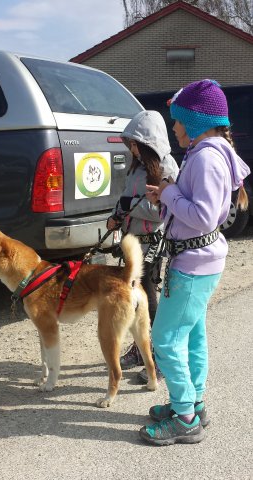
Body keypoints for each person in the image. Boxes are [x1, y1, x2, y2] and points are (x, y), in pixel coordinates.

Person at [139, 79, 251, 446]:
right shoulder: (212, 152)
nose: (174, 128)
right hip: (202, 259)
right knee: (192, 334)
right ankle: (193, 402)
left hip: (192, 263)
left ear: (197, 121)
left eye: (178, 121)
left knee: (165, 338)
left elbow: (202, 216)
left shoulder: (204, 157)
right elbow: (199, 207)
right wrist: (169, 196)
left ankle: (185, 416)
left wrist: (169, 192)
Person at [106, 110, 179, 381]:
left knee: (148, 299)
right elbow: (125, 198)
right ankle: (140, 348)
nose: (132, 148)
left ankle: (158, 357)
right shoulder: (137, 167)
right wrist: (115, 216)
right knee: (135, 298)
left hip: (152, 246)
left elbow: (162, 211)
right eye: (130, 144)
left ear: (148, 142)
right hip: (132, 244)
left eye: (135, 143)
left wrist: (129, 209)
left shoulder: (167, 167)